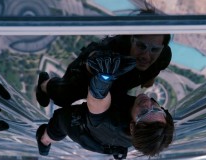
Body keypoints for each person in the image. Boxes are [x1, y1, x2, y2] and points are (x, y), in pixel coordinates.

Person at [36, 52, 174, 160]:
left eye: (144, 112)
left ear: (132, 126)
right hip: (114, 117)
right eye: (156, 109)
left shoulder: (111, 124)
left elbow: (97, 101)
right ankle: (44, 87)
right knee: (70, 90)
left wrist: (103, 78)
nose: (148, 103)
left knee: (61, 121)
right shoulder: (155, 125)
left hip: (87, 132)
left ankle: (44, 140)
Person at [36, 34, 171, 109]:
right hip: (87, 77)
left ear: (162, 48)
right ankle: (44, 84)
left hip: (120, 85)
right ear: (131, 39)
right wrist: (100, 64)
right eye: (141, 46)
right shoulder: (113, 49)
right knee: (63, 97)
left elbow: (158, 66)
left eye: (154, 50)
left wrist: (149, 78)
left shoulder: (163, 56)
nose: (146, 56)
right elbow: (94, 58)